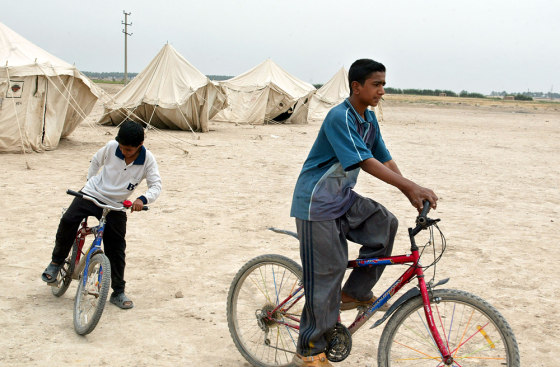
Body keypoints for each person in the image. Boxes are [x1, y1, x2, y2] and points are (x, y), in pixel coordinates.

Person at [290, 59, 438, 366]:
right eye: (376, 84)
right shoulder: (339, 117)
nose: (382, 90)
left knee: (385, 224)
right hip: (316, 203)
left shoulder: (368, 120)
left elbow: (383, 158)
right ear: (356, 87)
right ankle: (310, 351)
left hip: (341, 198)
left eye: (384, 84)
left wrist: (410, 188)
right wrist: (410, 188)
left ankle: (355, 292)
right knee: (327, 273)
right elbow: (364, 163)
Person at [41, 120, 162, 309]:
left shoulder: (148, 160)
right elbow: (96, 161)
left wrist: (142, 199)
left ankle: (118, 292)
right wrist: (90, 183)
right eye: (121, 148)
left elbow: (156, 185)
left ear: (140, 146)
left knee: (116, 246)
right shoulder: (112, 147)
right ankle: (56, 263)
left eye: (128, 150)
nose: (123, 152)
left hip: (116, 205)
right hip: (92, 195)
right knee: (68, 220)